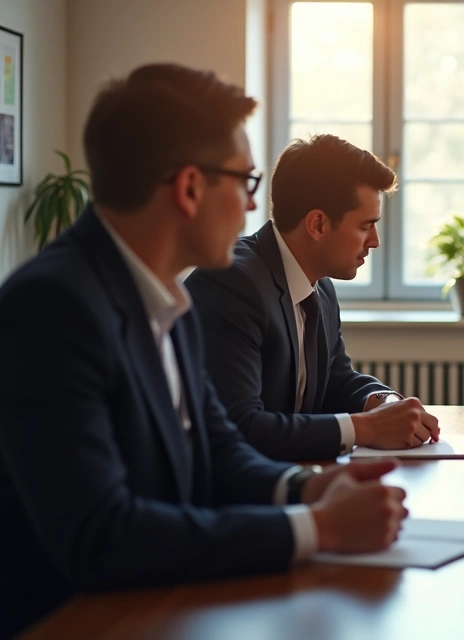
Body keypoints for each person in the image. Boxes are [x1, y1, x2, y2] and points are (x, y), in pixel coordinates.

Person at [0, 64, 406, 637]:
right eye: (246, 182)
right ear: (190, 187)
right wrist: (318, 529)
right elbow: (102, 535)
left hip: (167, 599)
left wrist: (310, 487)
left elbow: (218, 448)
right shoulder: (53, 306)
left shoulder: (168, 298)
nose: (250, 207)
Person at [186, 134, 439, 461]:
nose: (374, 242)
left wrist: (385, 403)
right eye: (366, 226)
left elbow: (337, 380)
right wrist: (366, 429)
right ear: (318, 224)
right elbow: (241, 427)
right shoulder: (233, 283)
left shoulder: (320, 285)